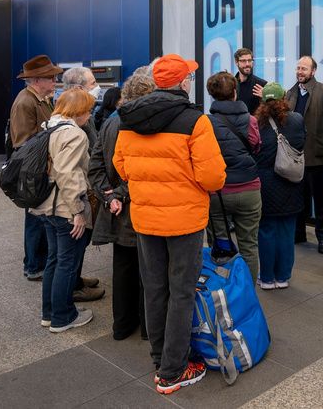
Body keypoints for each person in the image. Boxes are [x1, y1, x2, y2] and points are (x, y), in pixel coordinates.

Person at [113, 53, 226, 395]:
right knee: (182, 291)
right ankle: (173, 370)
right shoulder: (196, 120)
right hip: (185, 220)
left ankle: (159, 356)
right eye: (189, 77)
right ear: (182, 83)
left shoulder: (128, 118)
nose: (191, 82)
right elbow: (213, 177)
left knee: (155, 288)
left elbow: (122, 166)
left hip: (146, 218)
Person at [89, 76, 155, 340]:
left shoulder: (109, 123)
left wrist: (109, 197)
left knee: (123, 267)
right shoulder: (144, 126)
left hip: (116, 211)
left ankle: (122, 325)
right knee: (148, 270)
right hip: (140, 207)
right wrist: (118, 194)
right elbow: (143, 171)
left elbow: (94, 167)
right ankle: (147, 328)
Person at [30, 88, 96, 333]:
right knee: (67, 263)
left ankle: (49, 313)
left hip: (45, 205)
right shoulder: (74, 135)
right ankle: (63, 316)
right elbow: (68, 174)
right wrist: (78, 210)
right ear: (77, 111)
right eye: (88, 110)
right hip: (65, 208)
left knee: (54, 260)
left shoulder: (50, 127)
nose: (89, 115)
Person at [9, 54, 63, 281]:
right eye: (50, 78)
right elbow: (23, 143)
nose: (54, 82)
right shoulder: (25, 102)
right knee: (35, 220)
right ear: (37, 80)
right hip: (34, 171)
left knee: (39, 220)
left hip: (41, 168)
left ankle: (35, 263)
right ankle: (33, 266)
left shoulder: (41, 99)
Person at [206, 71, 263, 282]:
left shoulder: (206, 123)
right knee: (249, 246)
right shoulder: (250, 120)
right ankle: (247, 294)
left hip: (218, 192)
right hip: (249, 189)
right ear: (235, 93)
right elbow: (256, 148)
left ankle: (222, 291)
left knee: (219, 243)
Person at [285, 56, 323, 253]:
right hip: (295, 155)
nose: (300, 71)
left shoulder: (322, 90)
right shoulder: (290, 93)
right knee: (297, 198)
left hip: (315, 154)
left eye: (304, 68)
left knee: (319, 198)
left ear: (313, 71)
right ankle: (298, 233)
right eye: (298, 68)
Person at [255, 82, 305, 289]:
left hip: (266, 183)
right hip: (290, 182)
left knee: (266, 230)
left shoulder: (257, 123)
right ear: (283, 98)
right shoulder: (296, 119)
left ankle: (267, 278)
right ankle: (283, 277)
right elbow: (302, 143)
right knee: (286, 230)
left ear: (263, 100)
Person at [61, 67, 105, 302]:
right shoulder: (76, 124)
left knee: (77, 245)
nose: (97, 87)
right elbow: (70, 169)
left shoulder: (73, 117)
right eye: (93, 82)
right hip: (77, 195)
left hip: (80, 192)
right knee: (73, 245)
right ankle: (72, 289)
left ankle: (76, 280)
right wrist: (78, 208)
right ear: (79, 89)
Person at [234, 48, 267, 115]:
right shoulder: (231, 84)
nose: (247, 64)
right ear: (236, 62)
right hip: (234, 124)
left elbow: (269, 110)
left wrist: (265, 98)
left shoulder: (261, 84)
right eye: (243, 61)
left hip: (254, 124)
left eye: (249, 60)